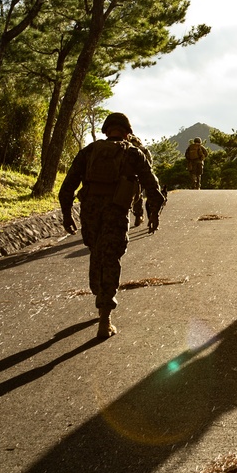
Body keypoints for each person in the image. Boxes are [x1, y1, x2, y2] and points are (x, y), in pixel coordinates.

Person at [59, 112, 165, 340]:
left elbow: (67, 185)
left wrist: (67, 214)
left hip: (89, 212)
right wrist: (154, 214)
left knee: (97, 253)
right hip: (115, 212)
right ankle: (105, 317)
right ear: (127, 133)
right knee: (110, 257)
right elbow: (152, 187)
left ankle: (99, 294)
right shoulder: (133, 153)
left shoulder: (89, 152)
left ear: (106, 131)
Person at [126, 132, 153, 227]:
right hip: (139, 177)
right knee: (138, 196)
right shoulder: (143, 150)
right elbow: (150, 164)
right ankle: (138, 216)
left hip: (125, 178)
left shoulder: (125, 149)